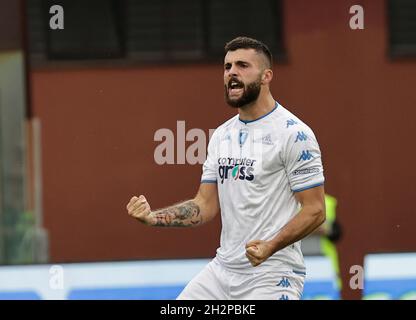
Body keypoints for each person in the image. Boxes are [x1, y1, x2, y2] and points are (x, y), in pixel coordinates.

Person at [126, 36, 326, 300]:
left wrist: (270, 246)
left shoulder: (294, 133)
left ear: (266, 76)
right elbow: (204, 205)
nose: (232, 72)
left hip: (271, 274)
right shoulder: (222, 135)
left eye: (242, 65)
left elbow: (316, 210)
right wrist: (154, 218)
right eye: (227, 66)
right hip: (221, 272)